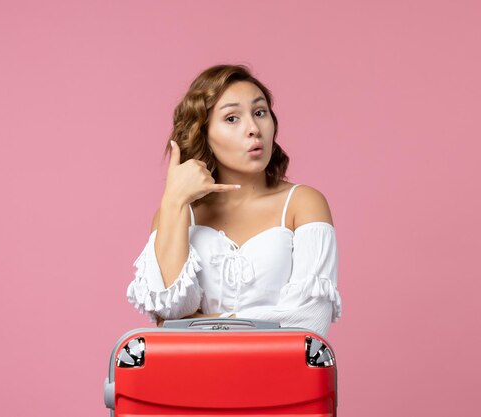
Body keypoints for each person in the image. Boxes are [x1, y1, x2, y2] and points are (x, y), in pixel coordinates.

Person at [126, 64, 341, 337]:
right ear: (203, 133)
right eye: (231, 118)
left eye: (260, 112)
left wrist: (205, 322)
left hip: (280, 377)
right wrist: (175, 200)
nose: (253, 128)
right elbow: (170, 311)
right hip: (194, 376)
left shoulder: (303, 204)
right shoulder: (177, 215)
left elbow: (311, 321)